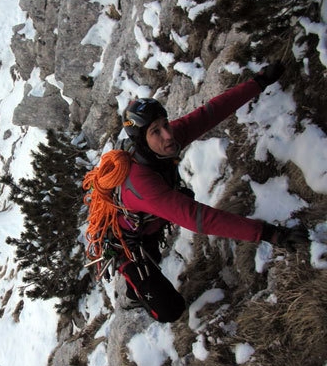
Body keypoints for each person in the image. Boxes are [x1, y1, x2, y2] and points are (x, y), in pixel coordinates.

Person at [83, 62, 308, 323]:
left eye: (165, 124)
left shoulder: (161, 141)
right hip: (126, 241)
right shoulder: (141, 183)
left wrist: (258, 82)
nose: (168, 134)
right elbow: (199, 218)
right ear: (141, 140)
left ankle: (142, 281)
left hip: (145, 221)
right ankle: (135, 285)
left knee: (152, 256)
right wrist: (271, 233)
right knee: (169, 310)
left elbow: (210, 113)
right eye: (156, 131)